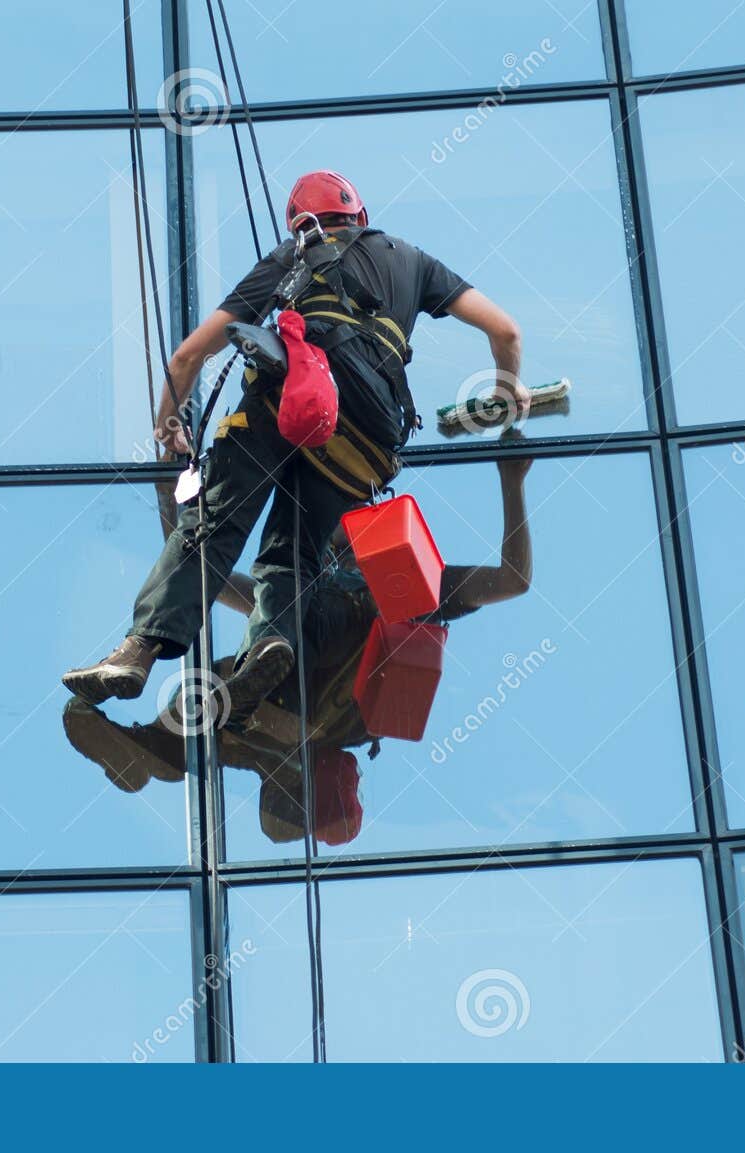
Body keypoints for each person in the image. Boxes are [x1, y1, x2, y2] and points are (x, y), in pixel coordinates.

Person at [62, 170, 527, 718]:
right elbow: (506, 332)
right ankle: (268, 643)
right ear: (361, 217)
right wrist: (507, 388)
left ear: (304, 223)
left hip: (292, 407)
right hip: (368, 443)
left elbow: (188, 357)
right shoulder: (414, 261)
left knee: (214, 526)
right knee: (292, 555)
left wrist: (169, 430)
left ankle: (139, 649)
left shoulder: (293, 257)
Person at [62, 454, 535, 848]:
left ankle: (167, 749)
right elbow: (203, 571)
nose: (341, 518)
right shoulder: (292, 586)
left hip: (311, 703)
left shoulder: (409, 586)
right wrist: (172, 493)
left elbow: (513, 579)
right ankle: (153, 751)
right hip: (288, 708)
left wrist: (511, 481)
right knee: (225, 682)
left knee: (255, 646)